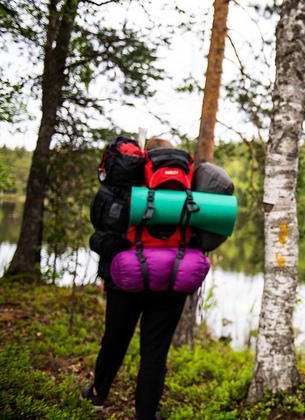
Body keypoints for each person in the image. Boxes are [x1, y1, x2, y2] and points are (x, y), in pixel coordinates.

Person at [82, 137, 186, 420]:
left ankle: (97, 393)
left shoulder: (123, 189)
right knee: (155, 351)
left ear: (142, 159)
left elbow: (104, 230)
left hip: (127, 279)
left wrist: (107, 274)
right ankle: (146, 413)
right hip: (169, 281)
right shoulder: (185, 189)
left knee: (115, 338)